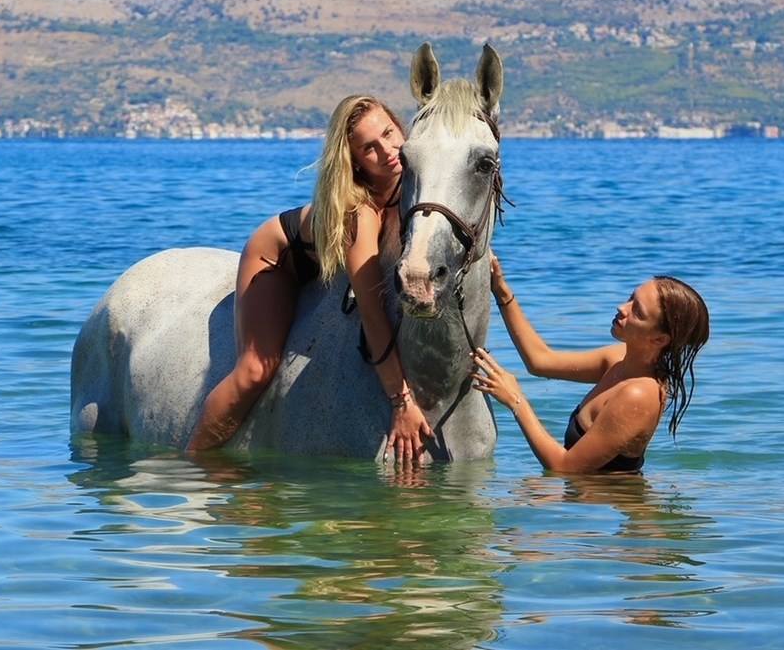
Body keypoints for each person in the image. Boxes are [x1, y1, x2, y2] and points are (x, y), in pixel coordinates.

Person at [186, 95, 434, 464]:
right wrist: (401, 401)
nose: (387, 151)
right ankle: (194, 461)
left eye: (389, 133)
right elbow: (371, 312)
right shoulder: (360, 212)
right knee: (256, 370)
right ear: (355, 162)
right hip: (278, 258)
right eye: (370, 148)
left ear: (400, 126)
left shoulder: (417, 180)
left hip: (328, 261)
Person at [470, 255, 709, 474]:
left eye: (637, 311)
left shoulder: (640, 393)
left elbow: (564, 468)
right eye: (630, 298)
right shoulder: (619, 360)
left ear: (659, 339)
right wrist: (501, 290)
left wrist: (515, 400)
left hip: (605, 511)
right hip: (588, 503)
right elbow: (540, 361)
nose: (621, 308)